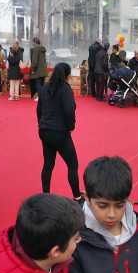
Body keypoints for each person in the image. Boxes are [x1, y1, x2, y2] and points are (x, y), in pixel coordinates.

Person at [37, 63, 81, 200]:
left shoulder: (45, 88)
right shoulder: (65, 89)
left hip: (44, 130)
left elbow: (39, 109)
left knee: (48, 163)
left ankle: (46, 194)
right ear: (68, 76)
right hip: (59, 132)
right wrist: (71, 126)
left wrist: (41, 123)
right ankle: (77, 196)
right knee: (73, 164)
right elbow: (69, 111)